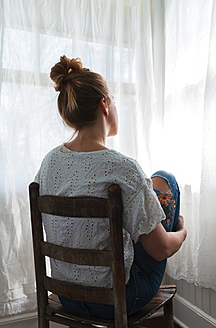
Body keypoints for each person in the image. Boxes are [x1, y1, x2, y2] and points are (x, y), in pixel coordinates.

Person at [35, 55, 187, 319]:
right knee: (165, 179)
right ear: (104, 105)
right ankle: (158, 221)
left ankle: (150, 213)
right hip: (116, 300)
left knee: (150, 186)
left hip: (66, 295)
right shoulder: (123, 167)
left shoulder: (48, 163)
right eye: (113, 100)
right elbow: (161, 250)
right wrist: (182, 233)